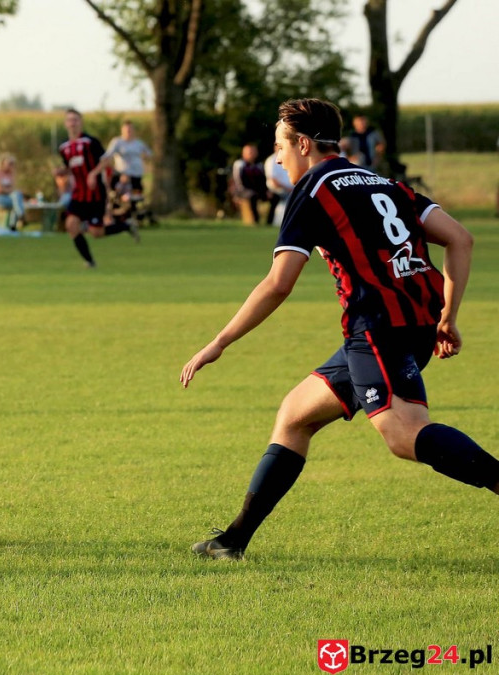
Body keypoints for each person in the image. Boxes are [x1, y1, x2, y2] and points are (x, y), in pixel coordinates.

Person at [181, 98, 499, 561]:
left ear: (304, 144)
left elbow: (278, 283)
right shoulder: (384, 182)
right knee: (295, 415)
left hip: (376, 330)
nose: (277, 158)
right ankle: (232, 542)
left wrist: (219, 342)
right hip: (413, 324)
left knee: (404, 435)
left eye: (280, 147)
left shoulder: (313, 190)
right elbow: (461, 239)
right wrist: (447, 316)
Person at [59, 108, 136, 267]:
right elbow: (70, 167)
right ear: (65, 124)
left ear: (81, 122)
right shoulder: (64, 148)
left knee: (96, 232)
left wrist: (93, 174)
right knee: (71, 225)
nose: (72, 123)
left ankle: (126, 226)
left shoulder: (90, 142)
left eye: (75, 120)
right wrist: (61, 172)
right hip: (78, 193)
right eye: (70, 120)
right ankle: (89, 261)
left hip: (95, 194)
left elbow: (106, 160)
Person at [98, 119, 152, 199]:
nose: (128, 132)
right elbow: (108, 154)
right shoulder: (117, 142)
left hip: (136, 174)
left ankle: (133, 209)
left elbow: (149, 154)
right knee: (118, 195)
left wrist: (144, 158)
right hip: (121, 174)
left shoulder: (139, 143)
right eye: (126, 130)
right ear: (122, 131)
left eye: (130, 130)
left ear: (133, 130)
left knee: (136, 196)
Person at [230, 144, 270, 224]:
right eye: (249, 152)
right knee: (252, 196)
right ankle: (255, 221)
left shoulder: (259, 165)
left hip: (256, 190)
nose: (251, 154)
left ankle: (270, 221)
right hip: (242, 190)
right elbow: (239, 182)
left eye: (253, 152)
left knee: (275, 197)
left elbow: (263, 180)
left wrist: (267, 191)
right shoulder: (239, 164)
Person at [0, 153, 26, 230]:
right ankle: (20, 217)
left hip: (8, 198)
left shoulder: (11, 174)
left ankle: (15, 223)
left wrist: (8, 190)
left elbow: (13, 188)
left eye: (13, 164)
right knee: (17, 201)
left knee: (17, 197)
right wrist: (8, 191)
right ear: (2, 163)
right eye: (10, 163)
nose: (11, 165)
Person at [263, 152, 293, 227]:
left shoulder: (288, 158)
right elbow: (273, 180)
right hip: (276, 189)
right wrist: (288, 188)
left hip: (289, 189)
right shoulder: (271, 160)